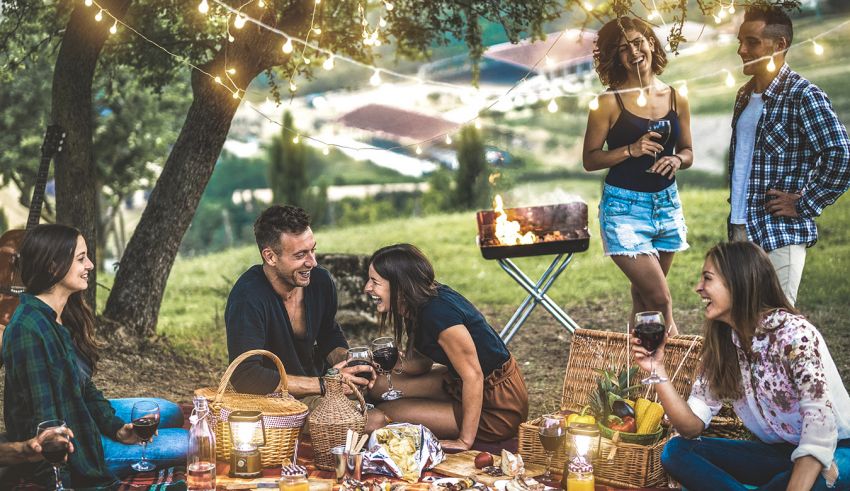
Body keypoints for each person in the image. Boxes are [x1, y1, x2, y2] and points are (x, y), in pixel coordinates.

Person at [631, 241, 850, 490]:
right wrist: (657, 369)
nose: (698, 288)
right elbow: (691, 427)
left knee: (812, 480)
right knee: (677, 451)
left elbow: (819, 431)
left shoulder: (794, 336)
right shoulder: (724, 342)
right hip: (778, 454)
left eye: (707, 278)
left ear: (738, 282)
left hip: (834, 450)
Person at [1, 224, 186, 489]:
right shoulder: (28, 331)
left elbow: (83, 387)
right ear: (53, 266)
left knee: (170, 411)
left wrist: (116, 427)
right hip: (77, 445)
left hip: (78, 411)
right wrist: (60, 478)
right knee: (184, 442)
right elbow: (44, 420)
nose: (89, 265)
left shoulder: (63, 312)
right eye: (80, 259)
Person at [727, 6, 850, 306]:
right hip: (739, 231)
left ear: (779, 45)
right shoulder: (743, 95)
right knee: (742, 330)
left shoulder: (803, 95)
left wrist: (806, 202)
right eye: (740, 41)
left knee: (777, 328)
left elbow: (842, 156)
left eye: (752, 42)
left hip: (779, 233)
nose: (742, 50)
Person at [582, 16, 694, 336]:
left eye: (637, 42)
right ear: (614, 58)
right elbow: (590, 160)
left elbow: (688, 151)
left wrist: (676, 160)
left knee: (643, 297)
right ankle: (674, 370)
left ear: (650, 42)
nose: (633, 52)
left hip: (667, 205)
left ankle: (639, 377)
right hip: (624, 211)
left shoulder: (676, 96)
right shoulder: (607, 101)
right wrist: (630, 149)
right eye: (622, 49)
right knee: (660, 299)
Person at [225, 205, 383, 428]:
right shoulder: (248, 298)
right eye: (300, 255)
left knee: (387, 391)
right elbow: (246, 376)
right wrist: (323, 384)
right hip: (274, 402)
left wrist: (352, 362)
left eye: (313, 250)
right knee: (373, 420)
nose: (312, 262)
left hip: (319, 387)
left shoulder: (319, 281)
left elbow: (329, 335)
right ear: (270, 256)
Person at [364, 244, 529, 450]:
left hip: (496, 404)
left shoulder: (438, 313)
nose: (367, 288)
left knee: (385, 414)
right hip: (458, 382)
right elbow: (421, 364)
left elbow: (473, 376)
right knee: (378, 387)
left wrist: (464, 441)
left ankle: (467, 429)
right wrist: (396, 363)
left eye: (375, 282)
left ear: (400, 285)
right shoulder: (416, 303)